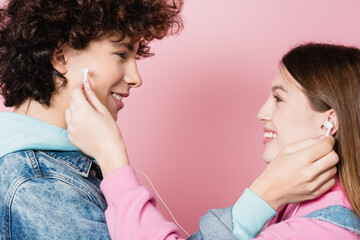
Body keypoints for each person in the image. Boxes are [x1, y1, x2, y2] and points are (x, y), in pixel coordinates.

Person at [0, 0, 338, 239]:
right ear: (61, 56)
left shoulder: (62, 167)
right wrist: (262, 198)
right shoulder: (37, 187)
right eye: (121, 54)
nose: (135, 77)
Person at [66, 43, 360, 240]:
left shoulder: (318, 231)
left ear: (328, 121)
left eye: (278, 98)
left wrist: (113, 159)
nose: (262, 113)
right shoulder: (299, 209)